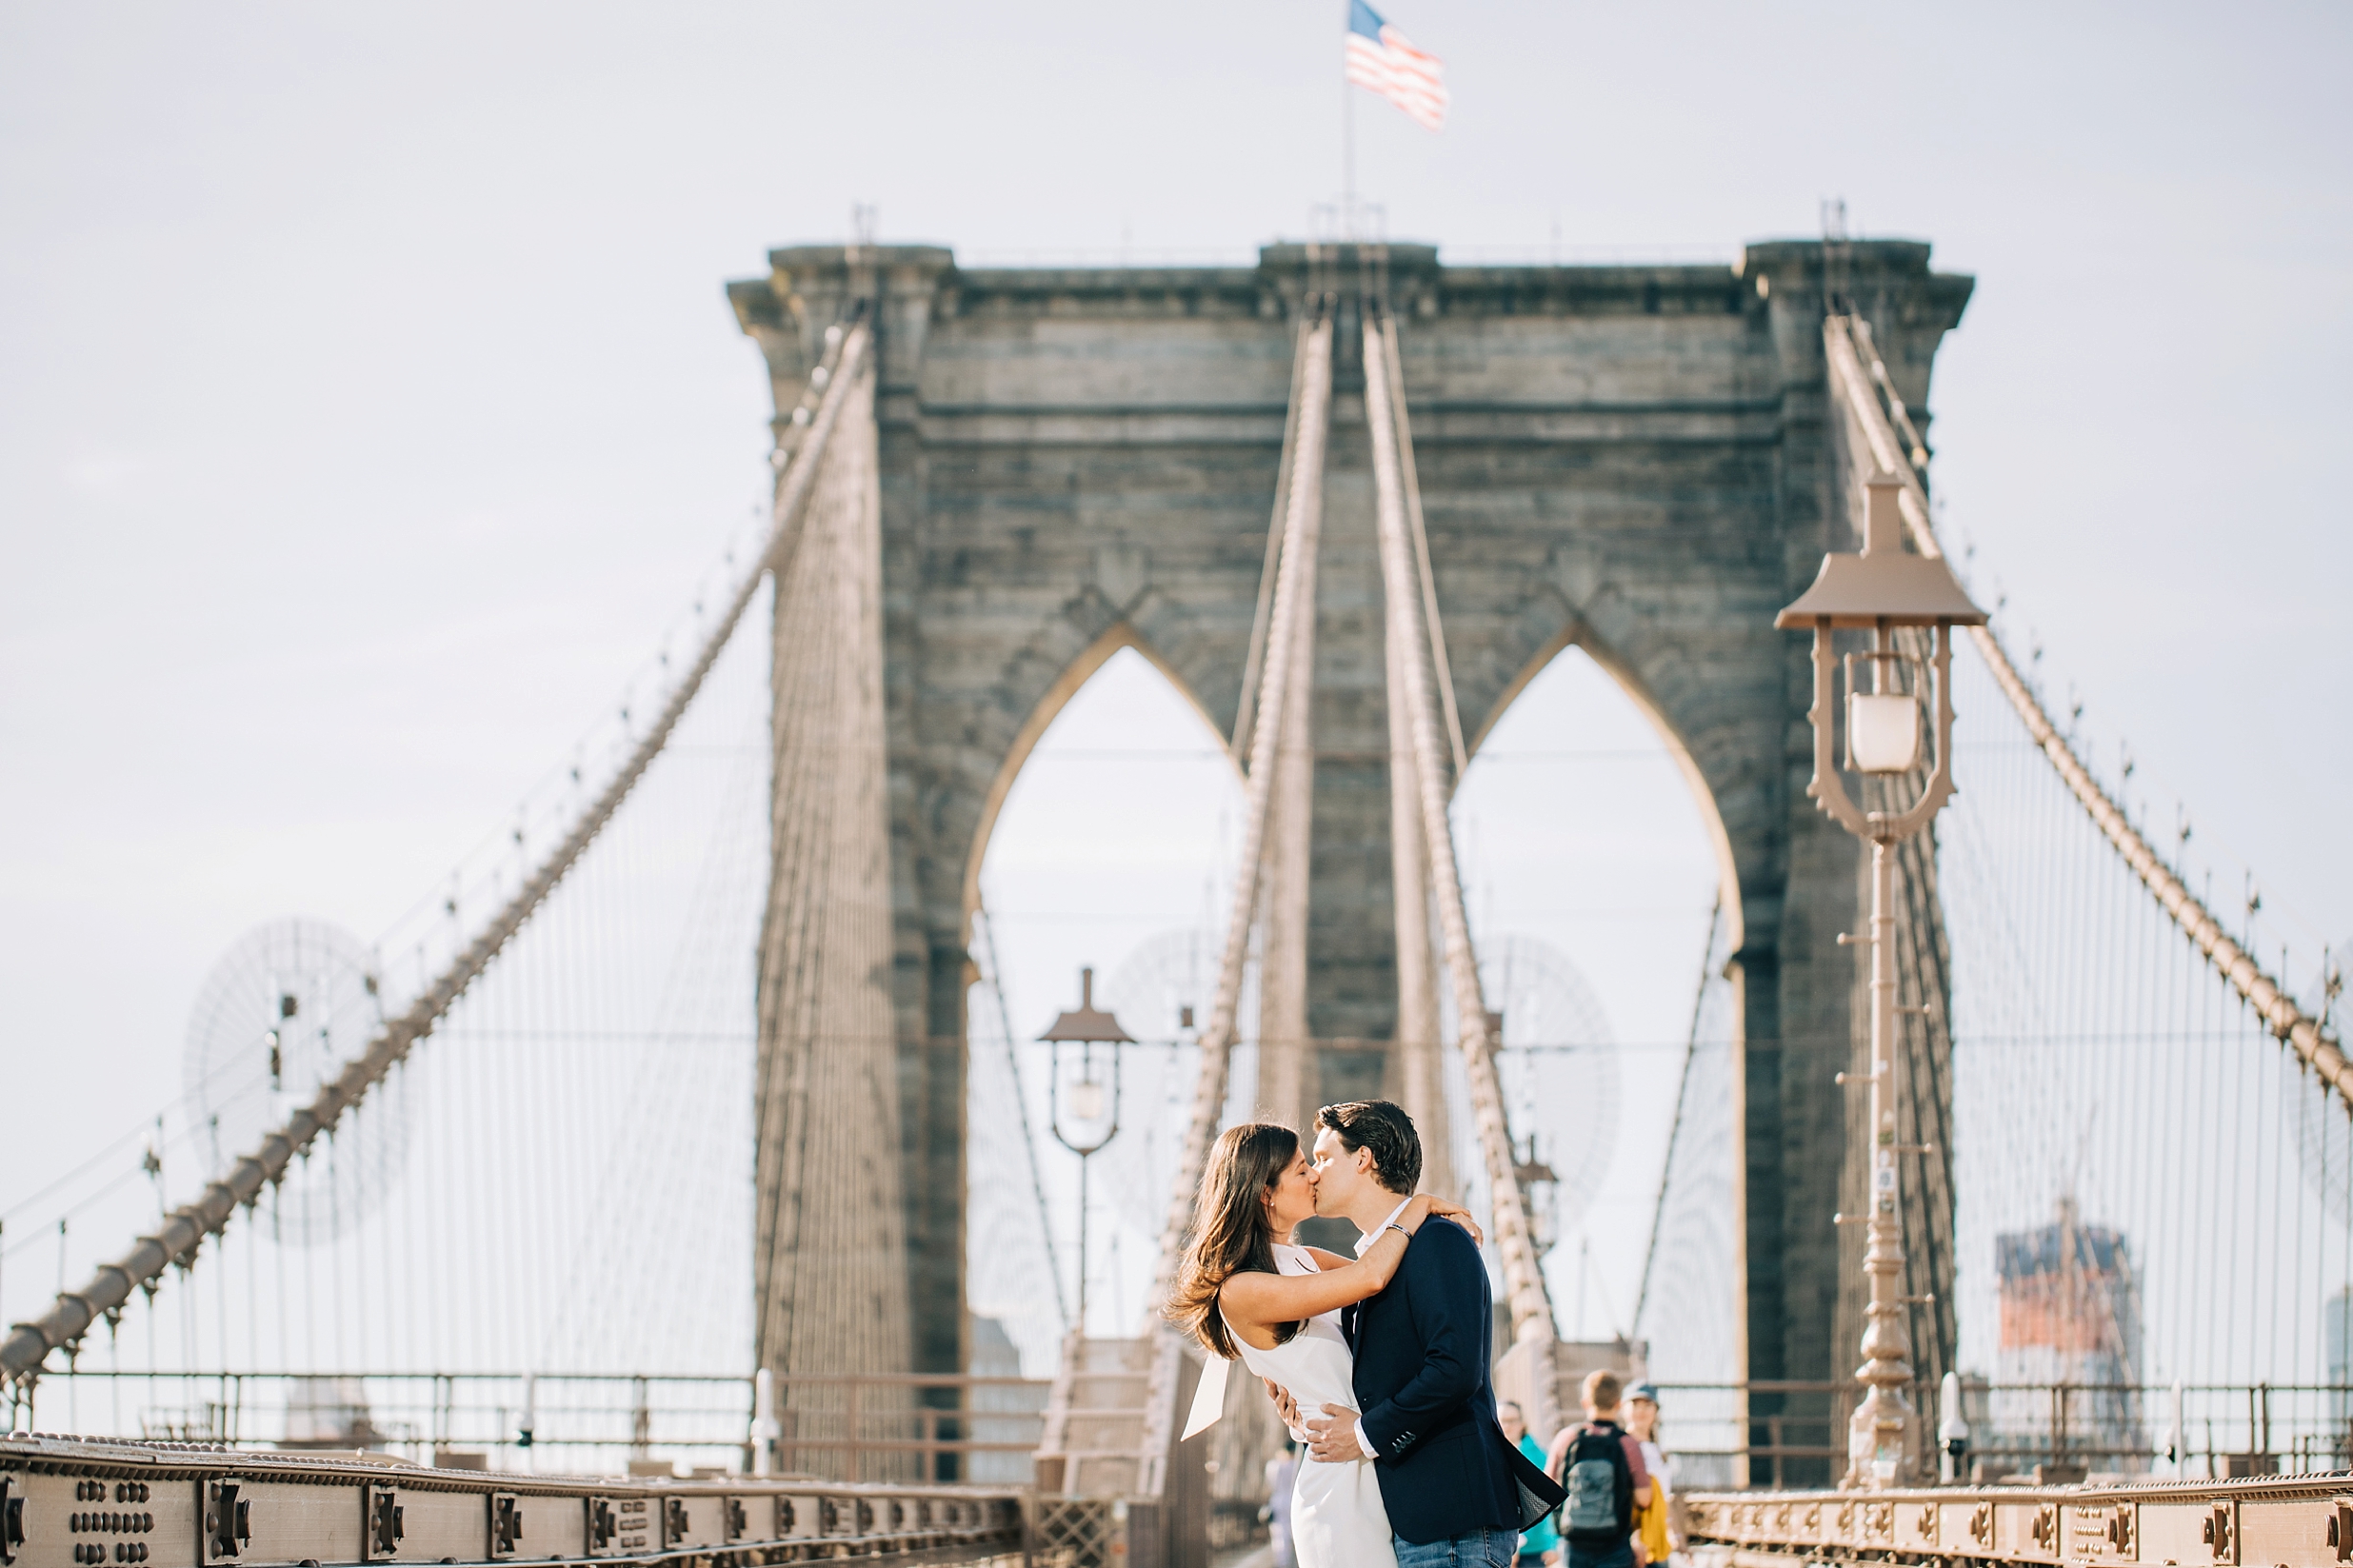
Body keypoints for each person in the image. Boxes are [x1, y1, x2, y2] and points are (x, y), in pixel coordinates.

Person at [1165, 1121, 1480, 1568]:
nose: (1314, 1174)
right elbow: (1369, 1276)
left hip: (1378, 1463)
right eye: (1299, 1170)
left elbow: (1392, 1285)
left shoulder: (1305, 1259)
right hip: (1338, 1486)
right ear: (1264, 1193)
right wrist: (1420, 1205)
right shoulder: (1242, 1289)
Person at [1295, 1100, 1567, 1568]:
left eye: (1322, 1158)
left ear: (1363, 1159)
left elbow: (1456, 1369)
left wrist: (1362, 1435)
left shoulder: (1438, 1242)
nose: (1314, 1174)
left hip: (1451, 1521)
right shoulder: (1375, 1264)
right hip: (1420, 1519)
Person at [1546, 1369, 1651, 1568]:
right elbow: (1644, 1499)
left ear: (1585, 1402)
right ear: (1618, 1404)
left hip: (1573, 1543)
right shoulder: (1627, 1444)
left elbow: (1545, 1490)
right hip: (1615, 1544)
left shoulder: (1566, 1438)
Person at [1500, 1400, 1561, 1568]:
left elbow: (1551, 1502)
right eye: (1502, 1420)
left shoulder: (1538, 1457)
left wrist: (1552, 1544)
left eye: (1511, 1420)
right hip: (1501, 1547)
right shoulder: (1489, 1455)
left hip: (1536, 1549)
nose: (1507, 1426)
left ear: (1522, 1423)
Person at [1625, 1383, 1674, 1568]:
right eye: (1635, 1404)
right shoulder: (1620, 1448)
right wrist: (1634, 1536)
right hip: (1633, 1545)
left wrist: (1677, 1537)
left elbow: (1666, 1497)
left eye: (1647, 1405)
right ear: (1623, 1408)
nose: (1641, 1411)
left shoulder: (1658, 1451)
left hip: (1659, 1542)